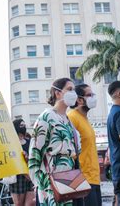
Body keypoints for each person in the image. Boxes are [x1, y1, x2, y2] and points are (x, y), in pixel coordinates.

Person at [28, 77, 80, 206]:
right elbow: (35, 154)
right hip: (51, 183)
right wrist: (41, 186)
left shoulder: (68, 120)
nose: (73, 93)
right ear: (57, 93)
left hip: (69, 180)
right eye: (69, 89)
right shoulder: (46, 117)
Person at [68, 84, 102, 206]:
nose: (93, 97)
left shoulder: (85, 119)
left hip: (93, 178)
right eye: (89, 95)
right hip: (82, 180)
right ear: (79, 99)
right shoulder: (72, 117)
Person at [9, 119, 34, 206]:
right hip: (18, 177)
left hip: (30, 175)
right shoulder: (11, 144)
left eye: (24, 125)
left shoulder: (29, 142)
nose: (23, 127)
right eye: (21, 125)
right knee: (19, 204)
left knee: (30, 203)